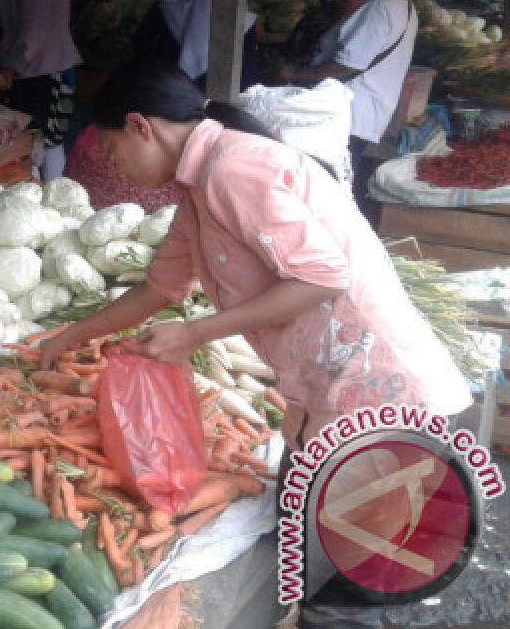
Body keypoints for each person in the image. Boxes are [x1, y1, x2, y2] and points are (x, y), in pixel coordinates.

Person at [41, 60, 471, 629]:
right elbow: (160, 289)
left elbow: (323, 277)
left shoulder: (233, 167)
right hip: (325, 396)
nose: (114, 163)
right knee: (316, 554)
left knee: (347, 589)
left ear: (141, 125)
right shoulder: (198, 188)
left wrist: (192, 334)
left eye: (114, 148)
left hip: (376, 396)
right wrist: (68, 338)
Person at [279, 0, 418, 212]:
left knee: (322, 192)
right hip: (367, 113)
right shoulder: (404, 5)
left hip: (347, 115)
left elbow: (346, 66)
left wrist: (294, 73)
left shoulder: (379, 8)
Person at [0, 0, 82, 182]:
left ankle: (43, 194)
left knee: (42, 139)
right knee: (44, 139)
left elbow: (34, 29)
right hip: (44, 68)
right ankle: (39, 191)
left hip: (41, 72)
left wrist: (10, 68)